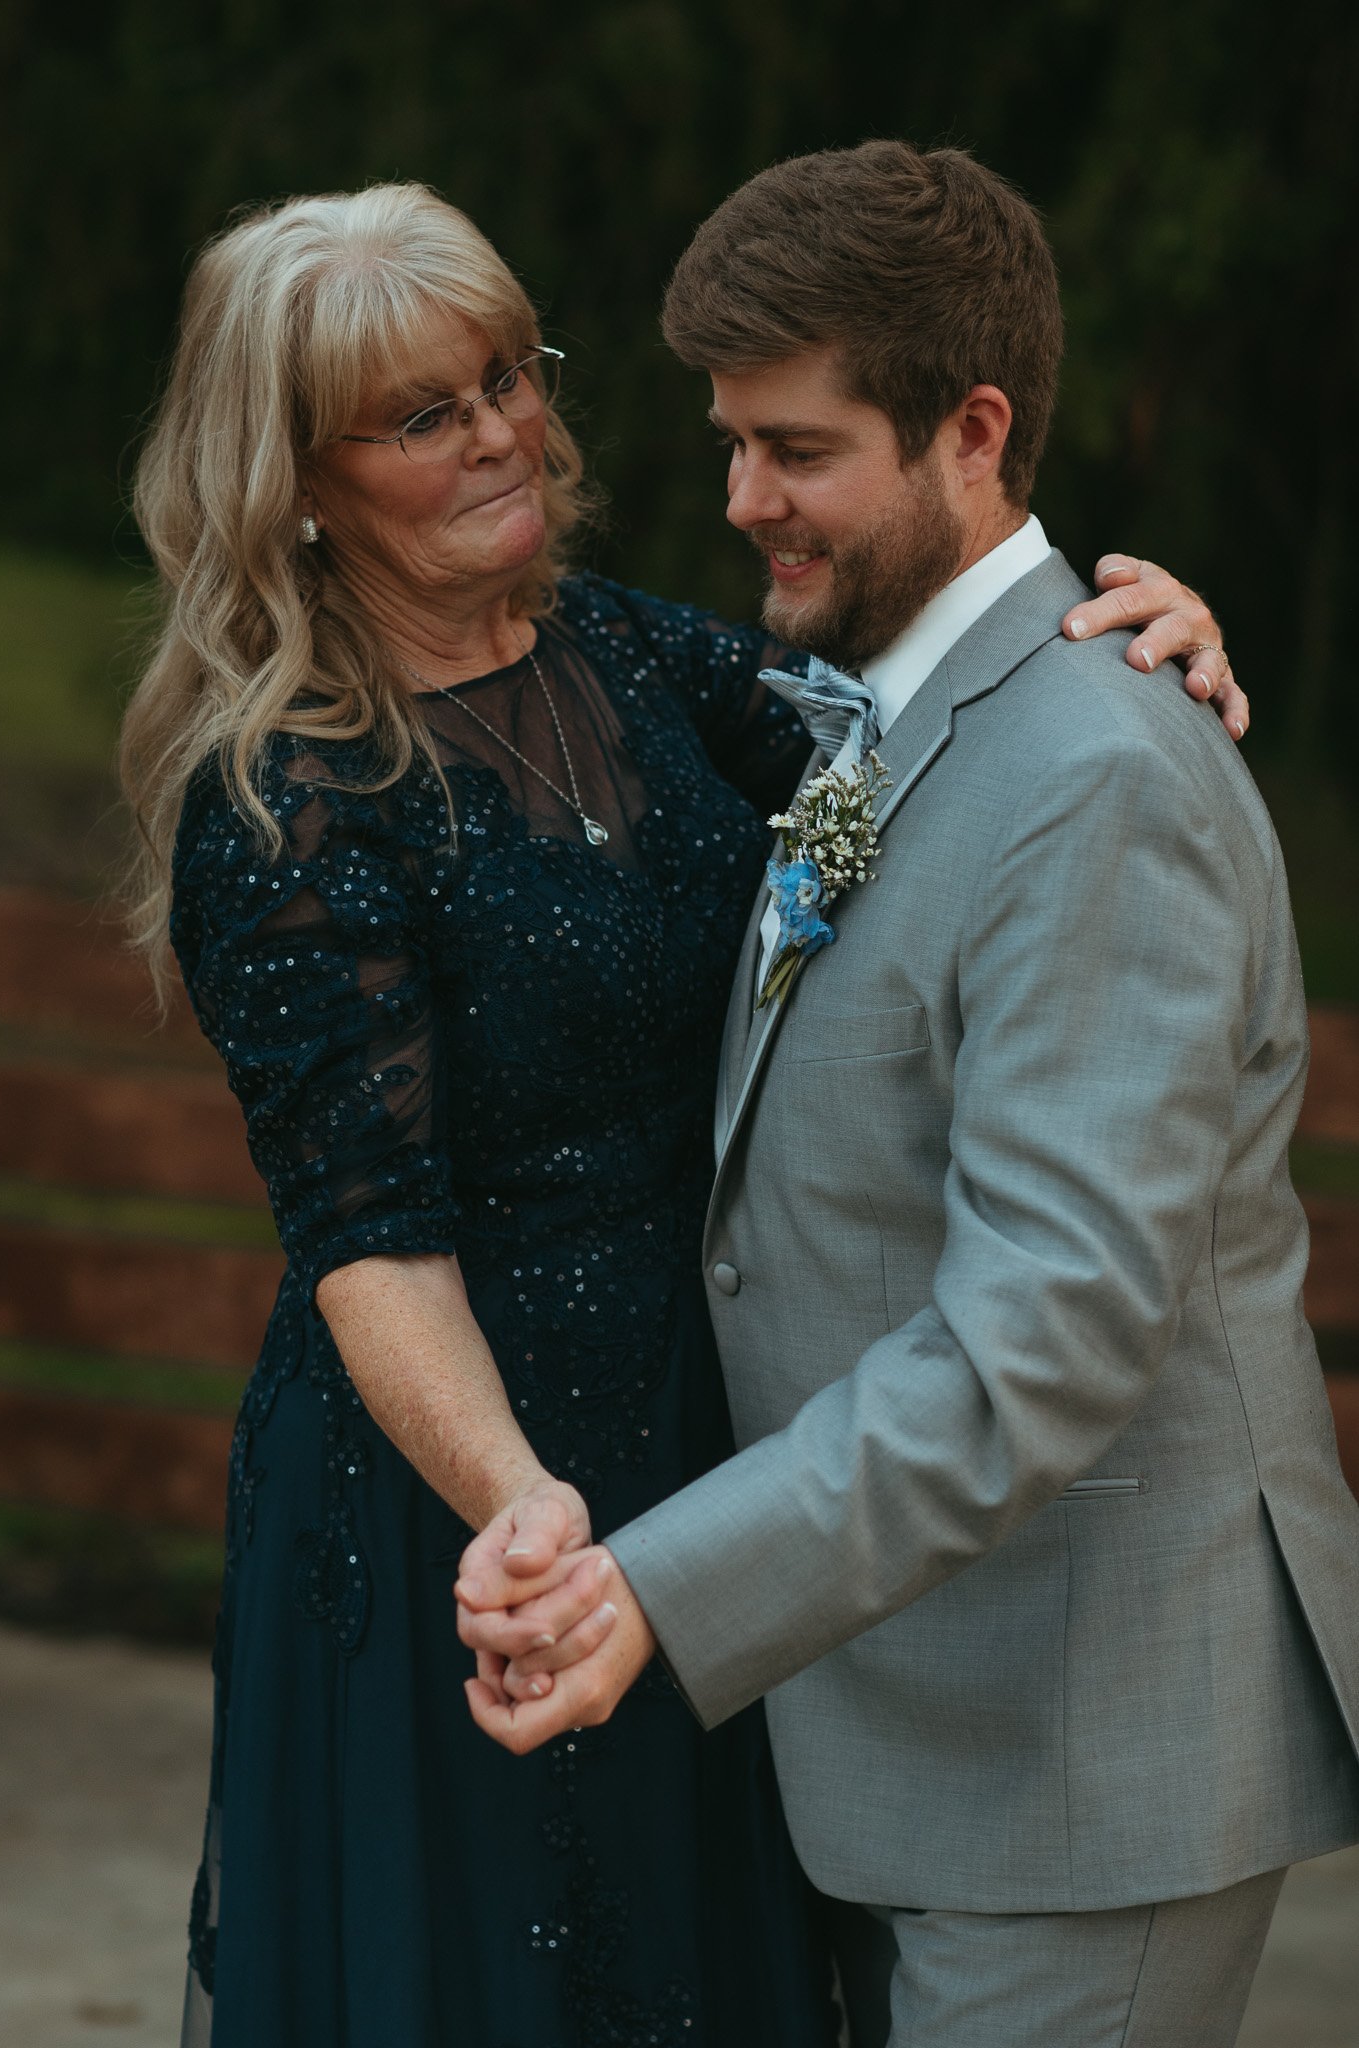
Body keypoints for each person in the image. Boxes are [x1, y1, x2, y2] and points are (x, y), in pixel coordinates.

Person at [120, 178, 1241, 2047]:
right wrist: (526, 1518)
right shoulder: (291, 804)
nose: (501, 433)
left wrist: (1111, 636)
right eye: (423, 413)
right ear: (295, 481)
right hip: (479, 1494)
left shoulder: (629, 657)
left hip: (715, 1466)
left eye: (508, 375)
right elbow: (369, 1242)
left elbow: (933, 757)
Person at [456, 144, 1359, 2048]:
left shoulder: (1097, 773)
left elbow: (1051, 1328)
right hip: (910, 1717)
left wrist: (661, 1592)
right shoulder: (889, 707)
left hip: (1082, 1757)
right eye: (731, 441)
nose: (741, 499)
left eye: (797, 450)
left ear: (975, 431)